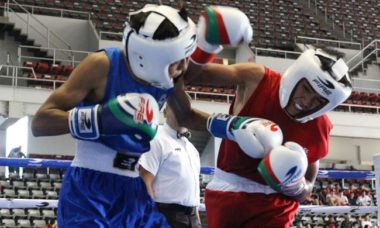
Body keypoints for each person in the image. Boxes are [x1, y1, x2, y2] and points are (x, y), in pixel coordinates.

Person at [168, 5, 352, 227]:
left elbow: (307, 189)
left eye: (318, 101)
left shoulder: (320, 127)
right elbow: (185, 77)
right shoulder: (257, 79)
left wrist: (294, 185)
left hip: (277, 206)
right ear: (298, 74)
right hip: (226, 196)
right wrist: (206, 46)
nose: (306, 102)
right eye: (307, 89)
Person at [31, 4, 198, 227]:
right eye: (180, 58)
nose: (185, 66)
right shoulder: (101, 65)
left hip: (133, 189)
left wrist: (230, 127)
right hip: (89, 188)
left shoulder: (168, 78)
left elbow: (187, 115)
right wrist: (100, 119)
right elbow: (40, 123)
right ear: (155, 55)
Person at [139, 104, 201, 228]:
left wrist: (197, 219)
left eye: (185, 109)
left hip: (192, 218)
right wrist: (151, 218)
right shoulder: (156, 139)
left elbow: (193, 190)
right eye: (176, 107)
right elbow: (145, 182)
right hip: (166, 216)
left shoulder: (191, 148)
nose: (181, 112)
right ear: (165, 112)